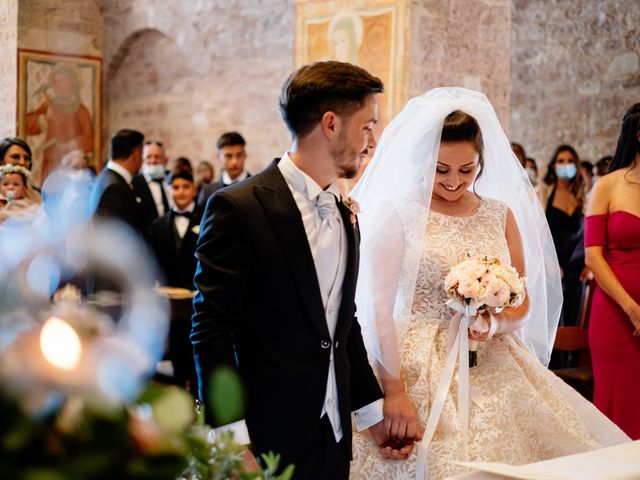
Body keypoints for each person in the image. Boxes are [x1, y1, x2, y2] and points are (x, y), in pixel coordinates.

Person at [349, 88, 629, 479]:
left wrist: (493, 323)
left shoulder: (500, 214)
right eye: (441, 169)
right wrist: (393, 390)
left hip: (494, 354)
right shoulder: (398, 214)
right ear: (422, 161)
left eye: (467, 169)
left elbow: (522, 302)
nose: (454, 181)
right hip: (414, 360)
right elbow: (378, 307)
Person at [191, 61, 409, 480]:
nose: (372, 141)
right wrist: (231, 441)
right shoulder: (239, 207)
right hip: (263, 436)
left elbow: (343, 323)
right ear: (331, 124)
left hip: (333, 435)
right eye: (366, 126)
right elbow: (210, 330)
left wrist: (369, 412)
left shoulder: (346, 213)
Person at [585, 103, 640, 439]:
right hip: (616, 311)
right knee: (619, 400)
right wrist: (632, 308)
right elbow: (593, 256)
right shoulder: (607, 185)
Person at [149, 168, 201, 390]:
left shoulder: (206, 220)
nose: (180, 192)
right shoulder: (158, 226)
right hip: (168, 306)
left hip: (198, 302)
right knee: (174, 354)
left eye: (185, 187)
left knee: (196, 355)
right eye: (175, 187)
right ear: (169, 190)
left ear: (194, 189)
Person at [538, 145, 588, 331]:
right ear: (553, 165)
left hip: (578, 270)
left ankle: (571, 362)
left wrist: (588, 264)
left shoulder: (582, 194)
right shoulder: (543, 193)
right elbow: (536, 234)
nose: (565, 165)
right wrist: (548, 263)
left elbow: (589, 232)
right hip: (551, 269)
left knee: (575, 323)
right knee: (554, 326)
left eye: (569, 161)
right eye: (561, 161)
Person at [25, 61, 94, 183]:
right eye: (56, 81)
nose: (58, 85)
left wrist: (69, 145)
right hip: (50, 159)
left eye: (62, 81)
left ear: (72, 83)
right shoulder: (49, 105)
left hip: (72, 161)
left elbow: (89, 138)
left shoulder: (81, 110)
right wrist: (45, 118)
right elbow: (27, 124)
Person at [90, 129, 145, 234]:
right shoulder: (114, 188)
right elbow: (113, 236)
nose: (142, 161)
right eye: (142, 154)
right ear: (136, 155)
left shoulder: (106, 177)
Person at [197, 132, 250, 206]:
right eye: (228, 156)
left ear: (245, 155)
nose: (234, 162)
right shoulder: (207, 192)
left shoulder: (258, 189)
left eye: (239, 155)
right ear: (219, 157)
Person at [132, 140, 173, 228]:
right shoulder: (133, 184)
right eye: (149, 157)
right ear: (142, 159)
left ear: (165, 160)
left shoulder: (172, 181)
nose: (153, 161)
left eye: (157, 157)